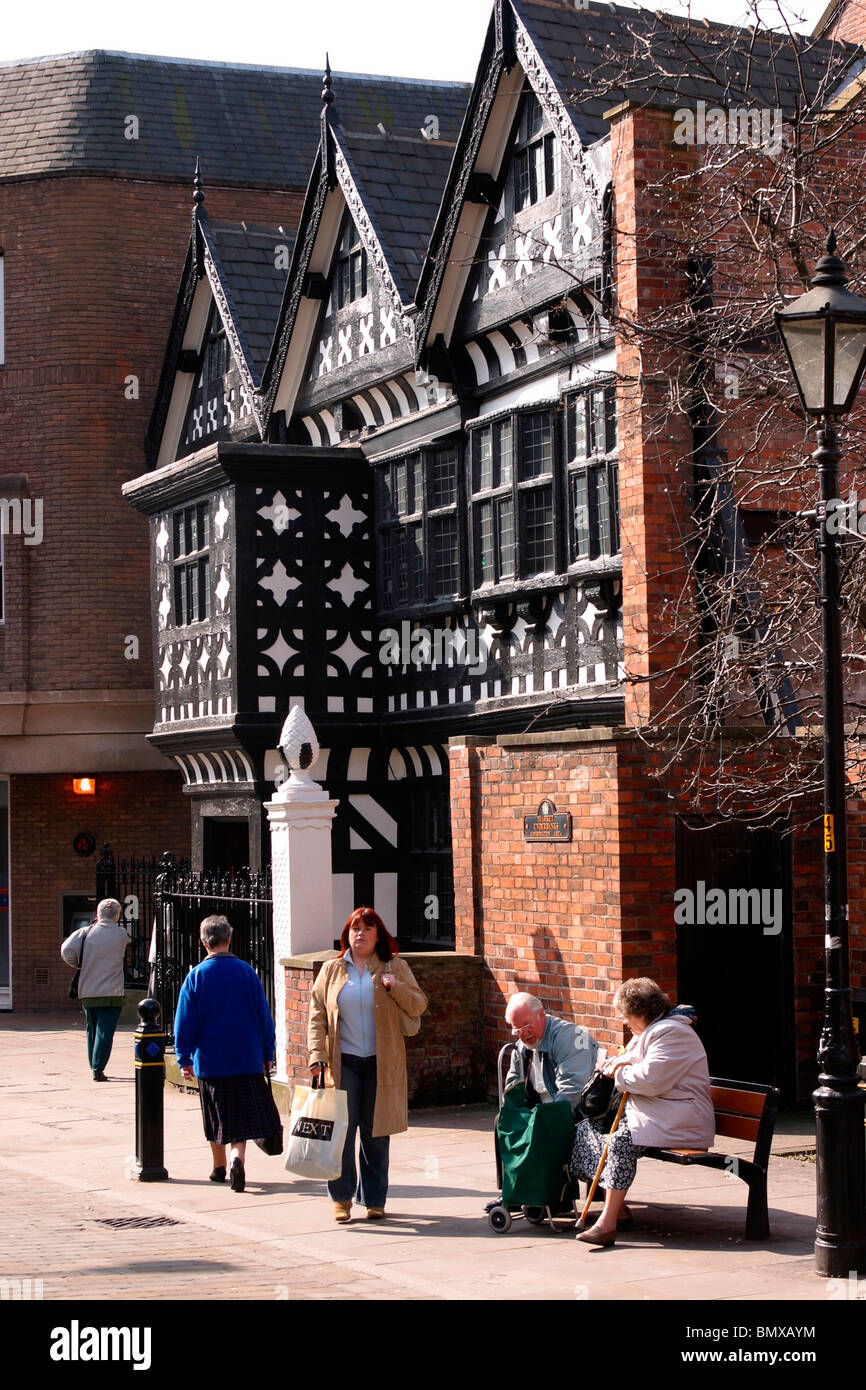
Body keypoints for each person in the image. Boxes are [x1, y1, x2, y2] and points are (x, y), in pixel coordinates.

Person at [571, 977, 714, 1246]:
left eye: (626, 1015)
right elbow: (630, 1063)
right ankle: (618, 1208)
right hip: (657, 1111)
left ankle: (607, 1224)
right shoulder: (650, 1032)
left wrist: (617, 1072)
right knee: (587, 1129)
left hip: (681, 1116)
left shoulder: (674, 1033)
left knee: (620, 1141)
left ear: (641, 1012)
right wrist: (612, 1065)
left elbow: (651, 1079)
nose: (624, 1022)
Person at [308, 906, 428, 1223]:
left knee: (376, 1135)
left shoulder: (394, 966)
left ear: (379, 936)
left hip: (381, 1064)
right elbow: (317, 1016)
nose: (360, 934)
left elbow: (419, 1004)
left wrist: (395, 986)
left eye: (367, 929)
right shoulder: (332, 971)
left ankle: (374, 1199)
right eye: (355, 929)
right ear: (347, 935)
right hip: (342, 1062)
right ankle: (341, 1198)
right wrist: (316, 1055)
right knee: (341, 1135)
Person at [174, 914, 279, 1193]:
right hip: (246, 1058)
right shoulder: (247, 972)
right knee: (241, 1116)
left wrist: (183, 1058)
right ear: (229, 938)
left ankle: (219, 1166)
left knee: (216, 1115)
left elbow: (184, 1022)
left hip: (211, 1061)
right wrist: (268, 1051)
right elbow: (263, 1016)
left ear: (203, 942)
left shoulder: (195, 976)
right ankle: (237, 1157)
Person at [60, 898, 129, 1081]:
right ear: (117, 916)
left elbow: (66, 950)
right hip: (112, 991)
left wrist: (79, 964)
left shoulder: (85, 932)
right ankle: (98, 1068)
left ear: (98, 914)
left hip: (88, 989)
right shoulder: (122, 934)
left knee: (91, 1029)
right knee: (105, 1031)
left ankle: (94, 1064)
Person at [504, 992, 597, 1110]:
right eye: (517, 1030)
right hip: (543, 1109)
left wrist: (545, 1118)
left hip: (579, 1113)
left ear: (541, 1014)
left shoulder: (570, 1038)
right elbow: (513, 1087)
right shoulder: (521, 1048)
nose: (523, 1034)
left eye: (527, 1025)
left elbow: (571, 1091)